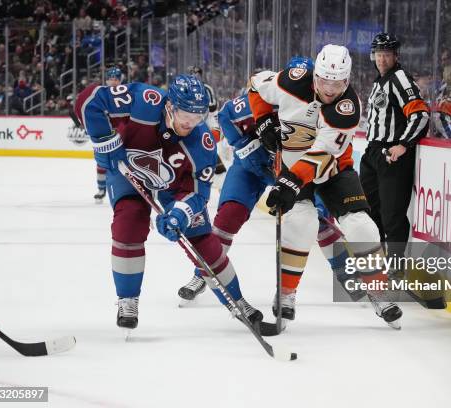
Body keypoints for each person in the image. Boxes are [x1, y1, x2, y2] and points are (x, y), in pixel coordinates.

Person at [74, 75, 264, 333]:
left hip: (173, 186)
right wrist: (104, 139)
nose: (190, 123)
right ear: (170, 106)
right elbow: (89, 100)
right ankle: (128, 300)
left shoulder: (202, 143)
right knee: (128, 223)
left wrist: (180, 214)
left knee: (203, 242)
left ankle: (237, 301)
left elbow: (198, 192)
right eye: (185, 114)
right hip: (127, 171)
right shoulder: (143, 99)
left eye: (197, 117)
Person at [177, 57, 366, 314]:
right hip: (252, 168)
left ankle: (345, 272)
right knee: (229, 215)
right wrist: (252, 147)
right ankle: (203, 273)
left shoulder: (320, 108)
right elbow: (226, 115)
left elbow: (327, 148)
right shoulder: (274, 92)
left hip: (291, 170)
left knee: (317, 218)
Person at [249, 44, 402, 329]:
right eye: (324, 81)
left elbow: (321, 155)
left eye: (338, 83)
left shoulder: (348, 108)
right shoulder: (291, 80)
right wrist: (262, 121)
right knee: (301, 222)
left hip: (332, 169)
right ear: (314, 75)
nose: (330, 90)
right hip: (294, 165)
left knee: (362, 226)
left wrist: (289, 184)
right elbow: (256, 85)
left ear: (348, 81)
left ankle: (378, 290)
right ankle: (285, 294)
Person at [359, 32, 429, 273]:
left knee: (392, 216)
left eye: (387, 54)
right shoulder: (380, 81)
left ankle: (396, 266)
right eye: (378, 54)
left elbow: (420, 114)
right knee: (370, 212)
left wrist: (403, 145)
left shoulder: (400, 79)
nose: (382, 59)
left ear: (395, 56)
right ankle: (378, 262)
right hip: (372, 154)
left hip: (392, 156)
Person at [93, 66, 125, 204]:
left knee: (124, 164)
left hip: (122, 134)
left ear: (120, 81)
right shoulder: (100, 94)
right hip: (106, 134)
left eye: (116, 79)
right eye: (111, 79)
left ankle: (123, 190)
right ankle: (101, 190)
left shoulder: (125, 94)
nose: (113, 82)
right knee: (102, 163)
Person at [188, 65, 226, 174]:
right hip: (196, 120)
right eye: (193, 73)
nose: (195, 76)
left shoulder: (207, 88)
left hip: (210, 119)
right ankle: (209, 166)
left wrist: (198, 105)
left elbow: (213, 106)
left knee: (207, 141)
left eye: (197, 73)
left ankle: (216, 167)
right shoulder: (186, 88)